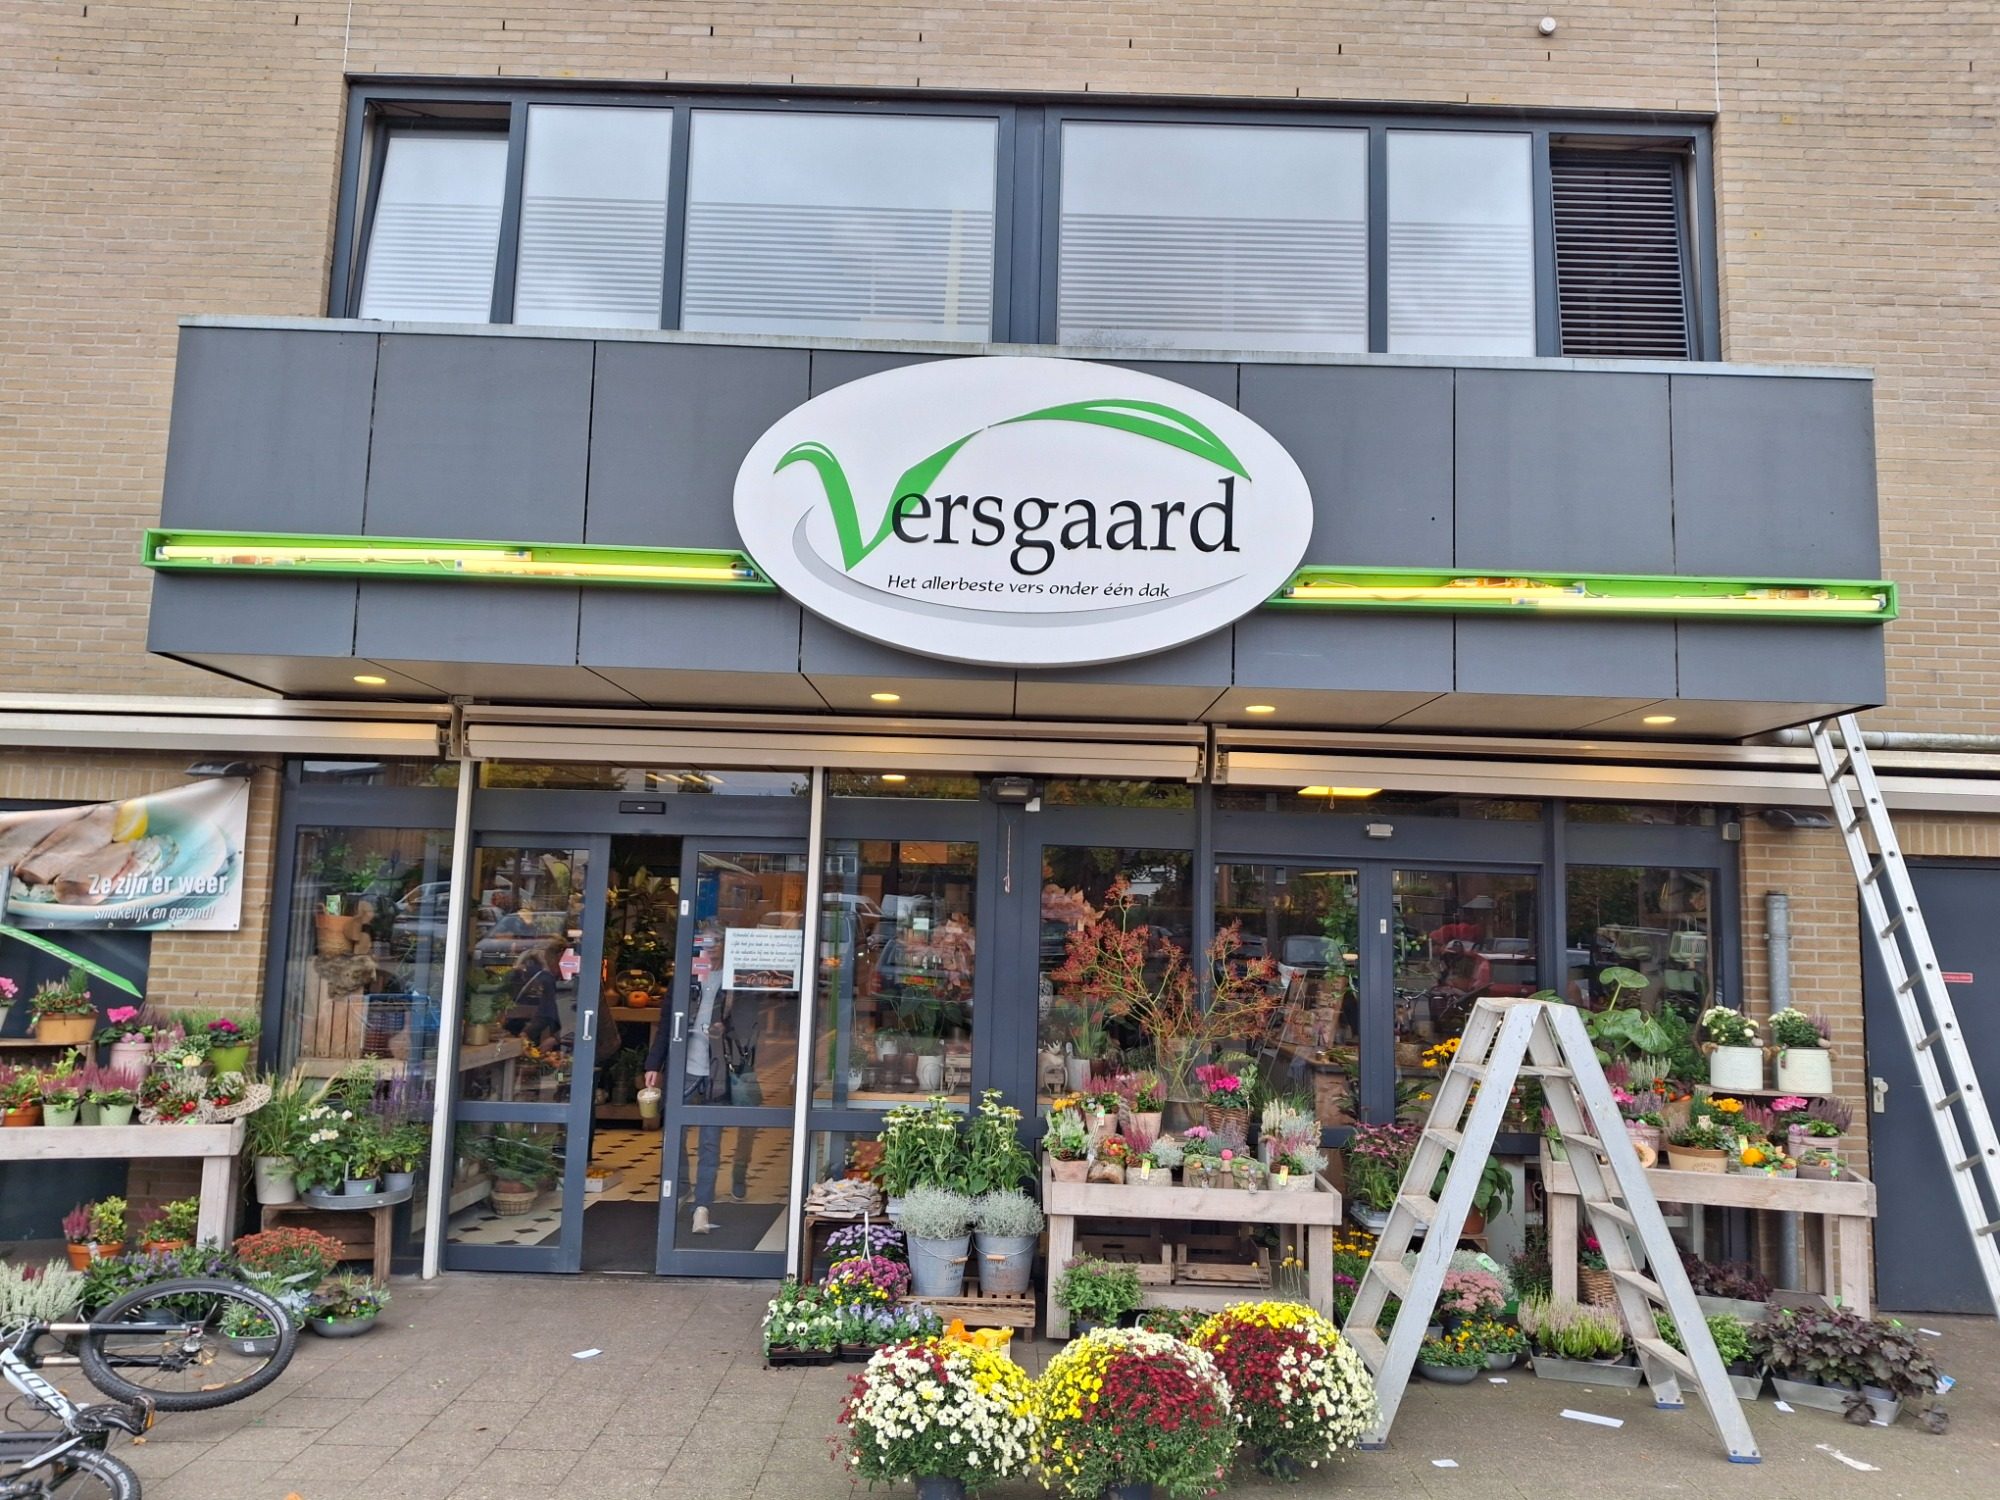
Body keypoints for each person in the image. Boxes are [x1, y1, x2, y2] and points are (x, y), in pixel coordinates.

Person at [645, 967, 725, 1235]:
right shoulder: (686, 975)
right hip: (684, 1068)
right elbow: (666, 1023)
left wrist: (725, 1028)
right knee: (675, 1134)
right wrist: (653, 1063)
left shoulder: (733, 976)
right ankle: (680, 1187)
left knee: (710, 1142)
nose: (711, 949)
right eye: (707, 946)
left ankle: (702, 1205)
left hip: (717, 1070)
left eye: (716, 945)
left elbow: (747, 1020)